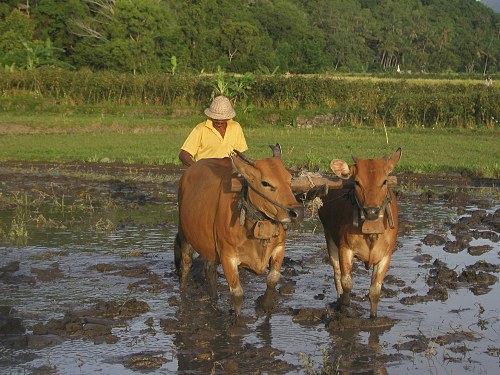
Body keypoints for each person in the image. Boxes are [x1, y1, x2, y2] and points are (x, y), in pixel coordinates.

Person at [178, 95, 248, 166]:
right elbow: (184, 155)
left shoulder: (236, 127)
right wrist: (197, 169)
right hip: (207, 171)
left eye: (222, 119)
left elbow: (239, 155)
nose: (219, 121)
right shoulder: (200, 129)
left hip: (230, 170)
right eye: (216, 118)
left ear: (228, 117)